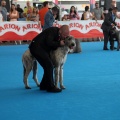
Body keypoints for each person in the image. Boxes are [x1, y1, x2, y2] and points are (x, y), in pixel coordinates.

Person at [29, 25, 70, 92]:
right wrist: (59, 43)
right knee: (49, 65)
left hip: (42, 48)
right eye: (64, 35)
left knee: (47, 67)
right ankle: (51, 87)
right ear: (60, 31)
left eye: (67, 35)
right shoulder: (52, 31)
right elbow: (49, 42)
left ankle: (43, 85)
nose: (65, 37)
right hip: (36, 47)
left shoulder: (59, 34)